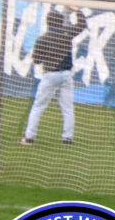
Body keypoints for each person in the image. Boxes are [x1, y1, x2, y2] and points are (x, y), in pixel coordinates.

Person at [23, 10, 80, 145]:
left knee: (38, 106)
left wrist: (46, 55)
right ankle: (67, 137)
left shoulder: (42, 38)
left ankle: (29, 137)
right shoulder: (67, 35)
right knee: (67, 108)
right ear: (60, 22)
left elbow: (36, 60)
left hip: (50, 75)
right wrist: (77, 10)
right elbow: (82, 25)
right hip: (66, 74)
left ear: (48, 22)